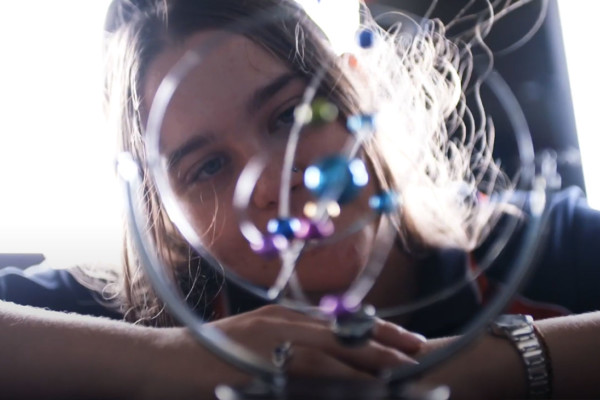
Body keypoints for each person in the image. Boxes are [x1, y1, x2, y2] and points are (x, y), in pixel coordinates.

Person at [0, 0, 598, 398]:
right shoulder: (135, 319)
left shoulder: (543, 250)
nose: (269, 180)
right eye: (206, 165)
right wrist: (175, 357)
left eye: (290, 116)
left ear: (357, 97)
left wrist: (482, 364)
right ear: (162, 221)